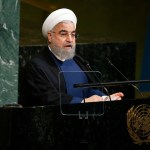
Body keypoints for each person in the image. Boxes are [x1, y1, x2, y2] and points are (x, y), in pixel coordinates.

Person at [19, 8, 124, 107]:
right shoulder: (36, 66)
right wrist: (83, 102)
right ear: (50, 36)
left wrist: (105, 98)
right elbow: (48, 98)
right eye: (63, 34)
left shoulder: (79, 61)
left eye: (73, 34)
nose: (70, 39)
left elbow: (89, 89)